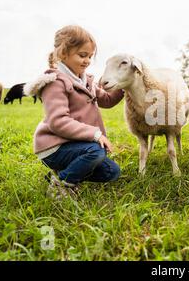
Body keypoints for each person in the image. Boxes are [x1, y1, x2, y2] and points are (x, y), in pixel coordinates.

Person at [25, 25, 125, 199]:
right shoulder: (55, 83)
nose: (87, 61)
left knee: (112, 172)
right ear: (63, 53)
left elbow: (107, 100)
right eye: (82, 55)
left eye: (90, 56)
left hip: (74, 143)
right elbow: (58, 121)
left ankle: (62, 174)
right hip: (55, 147)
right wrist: (94, 134)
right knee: (96, 151)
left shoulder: (86, 81)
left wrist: (124, 86)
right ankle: (62, 185)